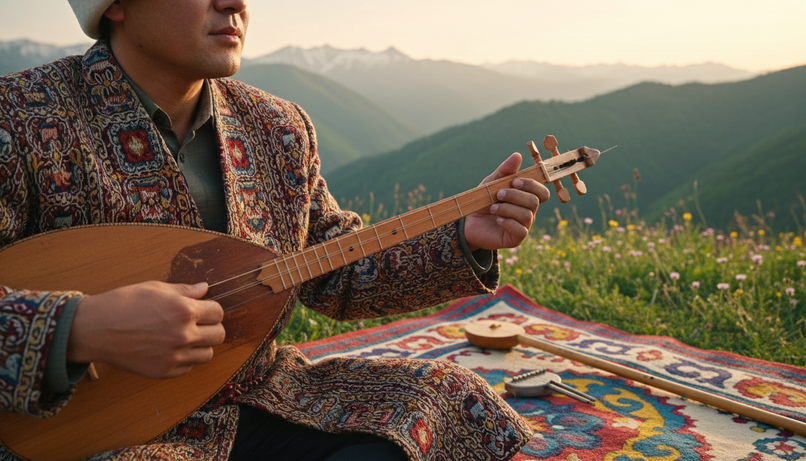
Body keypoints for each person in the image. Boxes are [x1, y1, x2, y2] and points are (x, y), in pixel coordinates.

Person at [0, 0, 550, 459]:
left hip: (252, 396)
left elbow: (334, 271)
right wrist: (81, 329)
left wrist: (463, 237)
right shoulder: (20, 118)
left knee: (445, 399)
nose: (235, 4)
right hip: (82, 431)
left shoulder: (278, 128)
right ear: (114, 5)